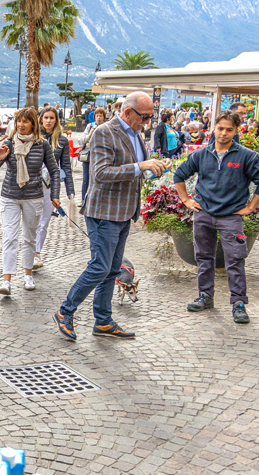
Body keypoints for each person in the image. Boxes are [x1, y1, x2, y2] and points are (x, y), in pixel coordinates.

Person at [54, 91, 171, 340]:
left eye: (151, 117)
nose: (148, 122)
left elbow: (134, 172)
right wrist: (141, 166)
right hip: (103, 212)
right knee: (100, 267)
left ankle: (103, 322)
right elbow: (101, 173)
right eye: (146, 117)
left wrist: (154, 169)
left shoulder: (136, 134)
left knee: (112, 269)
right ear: (128, 112)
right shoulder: (104, 132)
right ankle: (66, 311)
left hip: (124, 212)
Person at [174, 112, 259, 324]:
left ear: (236, 131)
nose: (223, 133)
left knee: (235, 260)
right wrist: (186, 200)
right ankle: (205, 296)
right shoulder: (201, 155)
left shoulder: (247, 156)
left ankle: (238, 303)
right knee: (203, 257)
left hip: (231, 217)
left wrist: (250, 207)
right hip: (204, 214)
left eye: (229, 129)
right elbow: (179, 175)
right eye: (220, 128)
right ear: (214, 128)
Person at [0, 107, 60, 295]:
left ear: (33, 124)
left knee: (29, 237)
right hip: (9, 196)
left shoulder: (42, 145)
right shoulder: (9, 143)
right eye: (19, 121)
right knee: (10, 237)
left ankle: (28, 275)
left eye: (25, 121)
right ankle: (6, 281)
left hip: (33, 196)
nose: (21, 125)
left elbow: (54, 171)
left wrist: (55, 195)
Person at [34, 107, 74, 270]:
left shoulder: (62, 141)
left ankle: (36, 254)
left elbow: (65, 166)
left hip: (50, 186)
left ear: (56, 120)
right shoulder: (34, 137)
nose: (49, 121)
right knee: (31, 221)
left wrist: (70, 191)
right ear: (41, 119)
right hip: (33, 185)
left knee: (43, 222)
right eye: (46, 118)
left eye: (52, 118)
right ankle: (30, 252)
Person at [78, 106, 107, 204]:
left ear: (104, 117)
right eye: (97, 116)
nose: (98, 118)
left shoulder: (106, 127)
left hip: (100, 156)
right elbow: (81, 140)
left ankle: (96, 199)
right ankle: (84, 199)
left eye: (100, 116)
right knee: (86, 178)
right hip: (89, 154)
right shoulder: (90, 126)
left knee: (98, 177)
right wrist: (90, 134)